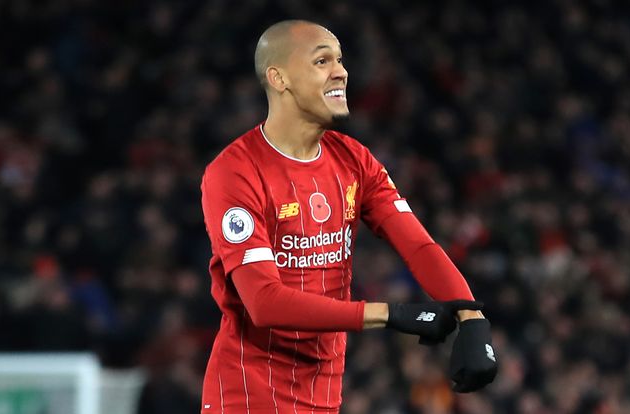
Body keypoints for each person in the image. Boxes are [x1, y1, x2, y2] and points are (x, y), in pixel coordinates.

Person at [200, 20, 498, 413]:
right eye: (322, 61)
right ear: (279, 78)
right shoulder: (236, 172)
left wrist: (471, 316)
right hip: (249, 395)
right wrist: (392, 314)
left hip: (324, 393)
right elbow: (265, 303)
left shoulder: (354, 160)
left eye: (339, 60)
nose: (341, 71)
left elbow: (418, 245)